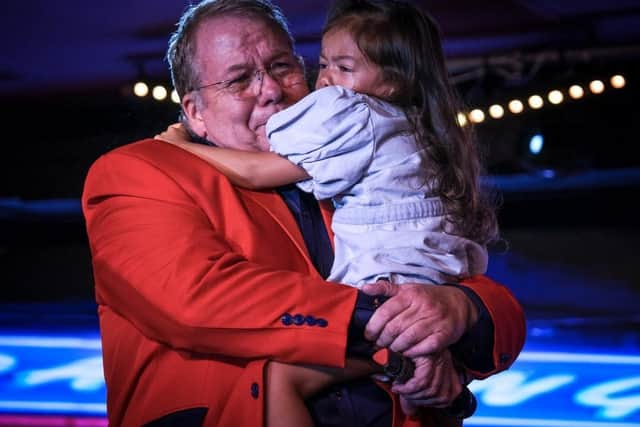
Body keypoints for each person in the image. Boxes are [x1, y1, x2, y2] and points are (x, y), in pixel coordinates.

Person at [81, 1, 526, 427]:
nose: (271, 91)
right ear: (195, 113)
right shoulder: (138, 171)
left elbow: (484, 290)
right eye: (239, 80)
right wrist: (394, 333)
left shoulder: (350, 150)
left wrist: (460, 308)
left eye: (282, 67)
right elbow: (196, 299)